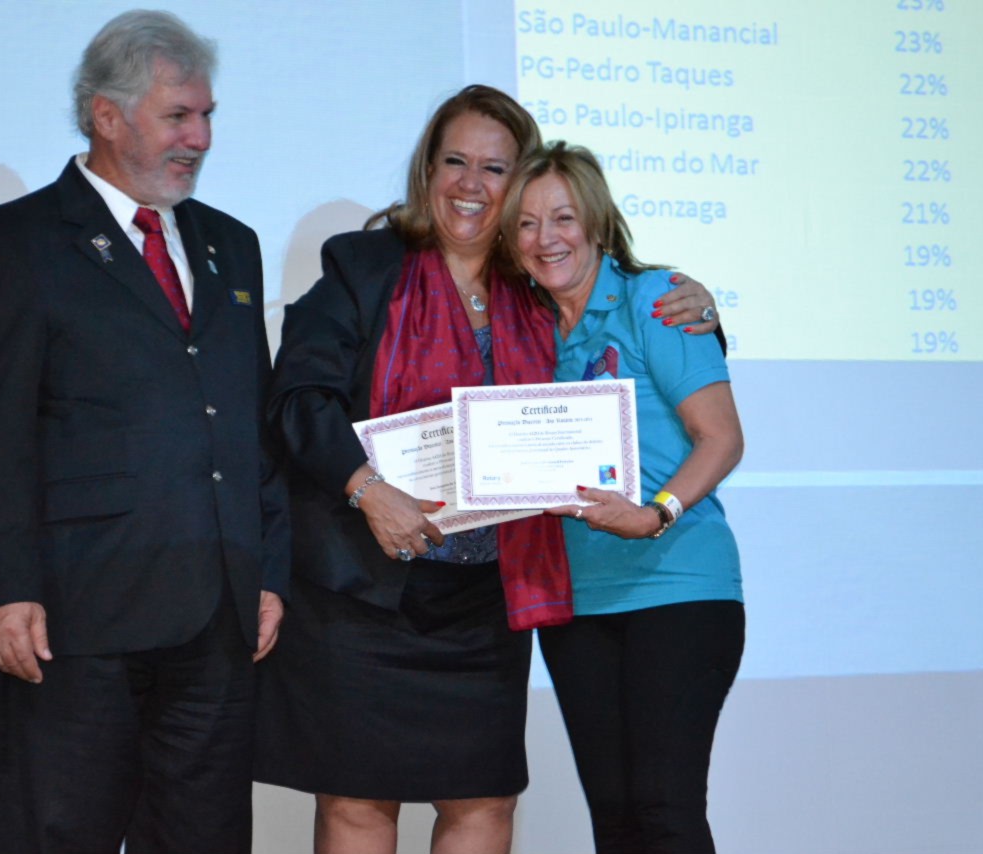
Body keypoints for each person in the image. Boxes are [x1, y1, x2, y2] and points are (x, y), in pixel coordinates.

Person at [254, 86, 720, 854]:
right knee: (358, 803)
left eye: (495, 168)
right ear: (427, 170)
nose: (470, 185)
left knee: (484, 803)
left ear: (521, 182)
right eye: (455, 162)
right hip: (364, 593)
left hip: (484, 602)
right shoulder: (365, 266)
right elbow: (298, 400)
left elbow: (625, 324)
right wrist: (368, 490)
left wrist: (699, 308)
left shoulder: (537, 282)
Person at [0, 11, 288, 853]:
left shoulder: (231, 245)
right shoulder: (10, 243)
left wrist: (269, 571)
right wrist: (2, 588)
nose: (200, 138)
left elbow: (254, 423)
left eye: (207, 116)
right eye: (179, 116)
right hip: (73, 618)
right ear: (106, 115)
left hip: (216, 617)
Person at [501, 140, 745, 854]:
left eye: (563, 218)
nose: (546, 239)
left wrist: (654, 514)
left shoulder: (658, 300)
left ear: (598, 223)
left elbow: (722, 439)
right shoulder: (522, 331)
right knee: (616, 823)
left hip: (679, 588)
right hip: (575, 603)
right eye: (526, 223)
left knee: (666, 812)